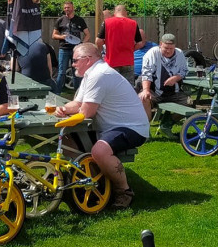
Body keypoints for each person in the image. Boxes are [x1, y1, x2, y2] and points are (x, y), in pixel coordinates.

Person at [55, 43, 149, 210]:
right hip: (113, 126)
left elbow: (87, 112)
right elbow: (78, 104)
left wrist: (71, 111)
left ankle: (124, 191)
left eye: (75, 60)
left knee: (100, 151)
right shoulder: (91, 74)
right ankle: (91, 179)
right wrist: (62, 109)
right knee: (67, 138)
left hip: (132, 127)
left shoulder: (100, 75)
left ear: (88, 60)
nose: (73, 64)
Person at [138, 33, 190, 138]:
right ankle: (145, 131)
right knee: (143, 98)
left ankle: (166, 125)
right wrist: (146, 90)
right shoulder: (152, 53)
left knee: (189, 103)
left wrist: (176, 78)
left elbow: (184, 71)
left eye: (171, 48)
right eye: (166, 48)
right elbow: (146, 73)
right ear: (160, 44)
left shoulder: (179, 54)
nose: (168, 51)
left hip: (173, 92)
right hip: (155, 91)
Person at [95, 4, 143, 86]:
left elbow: (98, 41)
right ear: (126, 12)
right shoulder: (133, 23)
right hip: (128, 61)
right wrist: (131, 49)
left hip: (112, 61)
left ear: (114, 12)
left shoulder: (107, 22)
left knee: (112, 88)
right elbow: (140, 43)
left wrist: (107, 41)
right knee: (128, 88)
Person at [52, 1, 90, 92]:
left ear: (73, 8)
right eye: (65, 7)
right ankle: (57, 94)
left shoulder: (80, 20)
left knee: (77, 72)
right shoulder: (60, 20)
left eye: (68, 7)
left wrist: (81, 45)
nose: (66, 9)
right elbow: (53, 35)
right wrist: (62, 37)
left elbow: (87, 34)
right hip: (63, 49)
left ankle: (78, 94)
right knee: (61, 73)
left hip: (76, 51)